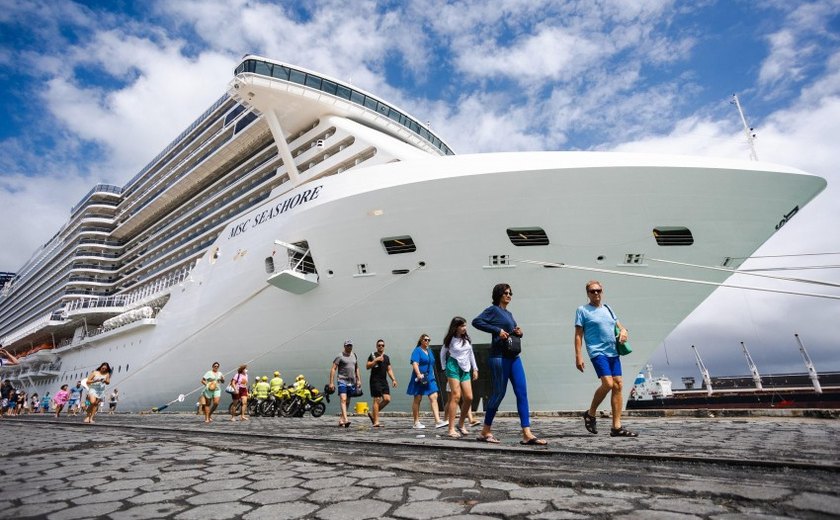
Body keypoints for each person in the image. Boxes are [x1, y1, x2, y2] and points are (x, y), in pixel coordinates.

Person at [472, 283, 546, 445]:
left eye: (510, 293)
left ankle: (527, 433)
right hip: (499, 357)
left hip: (513, 357)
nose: (509, 295)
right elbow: (476, 322)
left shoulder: (509, 313)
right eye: (506, 293)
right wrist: (497, 331)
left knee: (522, 393)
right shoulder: (492, 310)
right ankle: (485, 431)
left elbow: (510, 333)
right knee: (498, 394)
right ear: (499, 294)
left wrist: (518, 332)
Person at [575, 280, 637, 437]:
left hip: (612, 352)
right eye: (592, 291)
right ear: (587, 293)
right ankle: (591, 413)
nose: (596, 293)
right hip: (597, 352)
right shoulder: (582, 310)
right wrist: (578, 355)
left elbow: (620, 326)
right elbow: (578, 335)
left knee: (618, 385)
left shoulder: (608, 309)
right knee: (608, 383)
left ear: (602, 292)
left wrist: (624, 331)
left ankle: (616, 427)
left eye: (598, 290)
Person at [440, 316, 478, 438]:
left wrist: (475, 368)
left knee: (469, 397)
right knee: (456, 396)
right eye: (462, 326)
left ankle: (461, 424)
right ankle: (450, 428)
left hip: (466, 368)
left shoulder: (466, 339)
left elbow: (471, 354)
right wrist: (444, 367)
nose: (464, 328)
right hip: (453, 366)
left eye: (465, 325)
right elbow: (442, 353)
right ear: (456, 327)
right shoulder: (450, 340)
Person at [406, 334, 447, 430]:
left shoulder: (429, 351)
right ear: (421, 340)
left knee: (434, 396)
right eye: (425, 339)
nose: (427, 341)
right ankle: (416, 422)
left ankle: (437, 421)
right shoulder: (417, 351)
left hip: (429, 377)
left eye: (429, 340)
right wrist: (418, 374)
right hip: (419, 377)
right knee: (418, 398)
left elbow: (431, 364)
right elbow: (415, 363)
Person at [328, 340, 361, 428]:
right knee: (343, 399)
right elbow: (333, 369)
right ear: (344, 346)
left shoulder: (354, 355)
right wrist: (331, 382)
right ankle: (346, 420)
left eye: (350, 346)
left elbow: (356, 368)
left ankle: (341, 419)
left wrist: (359, 380)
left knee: (348, 401)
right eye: (347, 346)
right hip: (342, 380)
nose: (349, 347)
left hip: (352, 381)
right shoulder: (340, 356)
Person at [366, 339, 398, 427]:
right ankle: (376, 422)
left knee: (387, 399)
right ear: (376, 346)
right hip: (375, 380)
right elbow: (367, 366)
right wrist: (375, 360)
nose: (381, 347)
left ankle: (373, 414)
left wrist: (393, 379)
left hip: (384, 380)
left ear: (384, 346)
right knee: (377, 399)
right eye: (379, 345)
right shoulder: (373, 355)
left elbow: (389, 369)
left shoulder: (386, 357)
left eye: (382, 345)